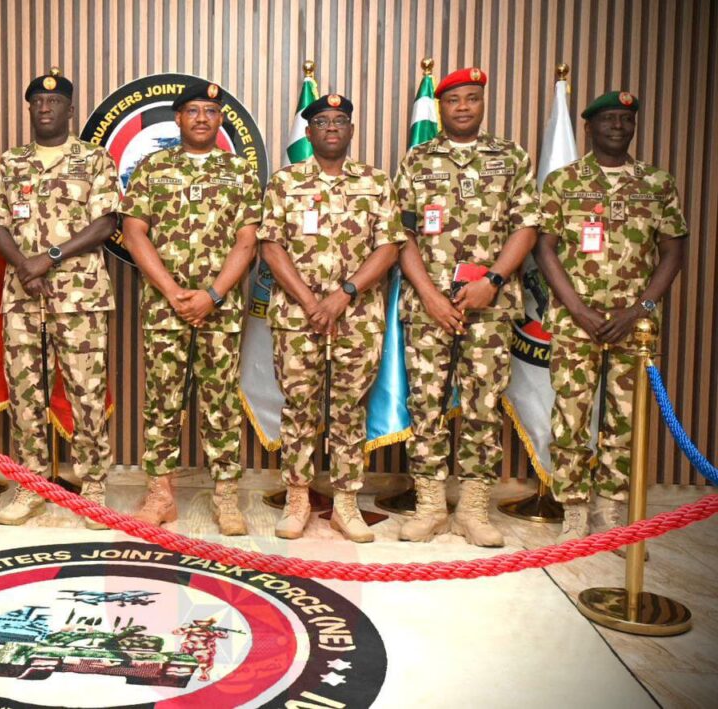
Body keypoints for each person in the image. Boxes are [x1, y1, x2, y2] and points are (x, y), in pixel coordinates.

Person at [395, 67, 540, 547]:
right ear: (441, 107)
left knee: (484, 404)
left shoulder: (510, 156)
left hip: (490, 307)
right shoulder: (418, 158)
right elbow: (402, 234)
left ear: (482, 103)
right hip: (428, 306)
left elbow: (526, 226)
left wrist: (492, 282)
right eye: (454, 100)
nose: (463, 107)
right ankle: (431, 506)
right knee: (426, 404)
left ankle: (474, 509)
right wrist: (431, 295)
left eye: (472, 98)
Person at [535, 90, 687, 544]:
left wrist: (640, 309)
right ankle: (574, 510)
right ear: (589, 128)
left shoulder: (657, 183)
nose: (618, 126)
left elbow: (673, 251)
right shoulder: (564, 182)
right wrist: (578, 309)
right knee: (570, 416)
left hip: (634, 326)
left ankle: (611, 510)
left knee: (625, 419)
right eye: (608, 119)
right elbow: (545, 249)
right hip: (574, 321)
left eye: (626, 119)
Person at [120, 79, 261, 535]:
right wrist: (172, 292)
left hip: (221, 310)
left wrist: (212, 295)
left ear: (220, 120)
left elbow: (247, 240)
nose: (202, 118)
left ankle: (226, 496)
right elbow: (134, 232)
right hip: (165, 309)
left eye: (210, 111)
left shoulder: (239, 171)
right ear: (178, 118)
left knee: (221, 404)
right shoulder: (152, 167)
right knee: (161, 402)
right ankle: (160, 495)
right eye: (193, 111)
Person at [259, 94, 402, 542]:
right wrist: (310, 302)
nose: (332, 127)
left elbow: (389, 247)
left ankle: (345, 503)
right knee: (298, 407)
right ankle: (297, 499)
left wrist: (343, 295)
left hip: (357, 317)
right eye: (322, 121)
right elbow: (270, 246)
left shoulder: (376, 183)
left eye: (340, 120)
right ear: (309, 133)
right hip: (296, 317)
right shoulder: (285, 182)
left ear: (352, 130)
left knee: (349, 409)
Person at [0, 71, 119, 527]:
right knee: (25, 393)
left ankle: (93, 483)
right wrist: (25, 266)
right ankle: (32, 483)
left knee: (87, 392)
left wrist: (50, 258)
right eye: (37, 102)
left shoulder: (94, 159)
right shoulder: (12, 161)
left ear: (70, 110)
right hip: (22, 296)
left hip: (80, 298)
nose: (45, 107)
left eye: (54, 101)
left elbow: (106, 223)